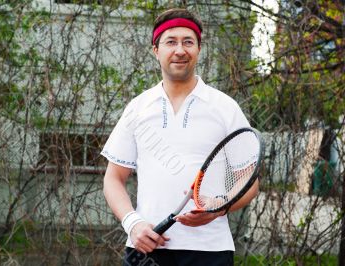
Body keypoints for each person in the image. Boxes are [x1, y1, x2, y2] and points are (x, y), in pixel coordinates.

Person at [101, 8, 259, 266]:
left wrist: (218, 207)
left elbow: (249, 180)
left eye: (188, 42)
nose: (180, 50)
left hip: (209, 252)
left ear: (198, 49)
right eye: (171, 42)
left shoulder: (224, 107)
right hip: (145, 247)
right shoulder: (138, 108)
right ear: (156, 50)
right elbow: (113, 178)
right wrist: (133, 224)